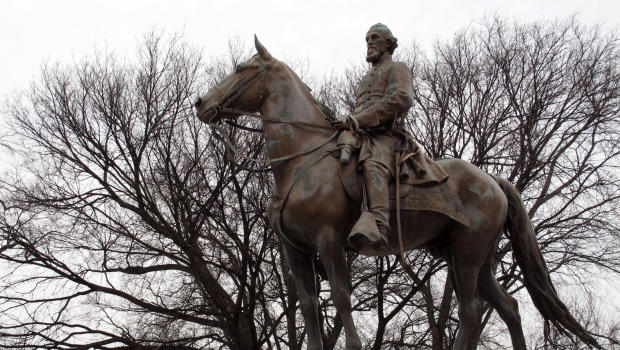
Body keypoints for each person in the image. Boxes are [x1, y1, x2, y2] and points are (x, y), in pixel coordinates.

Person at [346, 23, 414, 247]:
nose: (369, 43)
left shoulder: (397, 68)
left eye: (375, 38)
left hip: (384, 137)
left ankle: (379, 225)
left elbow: (400, 99)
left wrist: (360, 120)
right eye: (366, 39)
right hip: (359, 133)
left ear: (389, 43)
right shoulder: (365, 78)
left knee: (373, 163)